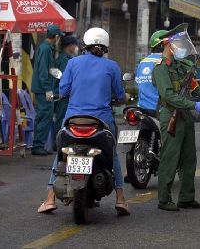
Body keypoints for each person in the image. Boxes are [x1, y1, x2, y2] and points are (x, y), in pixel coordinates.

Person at [37, 27, 131, 216]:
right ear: (105, 47)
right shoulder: (112, 66)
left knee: (61, 155)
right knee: (112, 155)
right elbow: (120, 94)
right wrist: (123, 96)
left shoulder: (73, 64)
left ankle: (49, 199)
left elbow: (63, 91)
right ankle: (120, 199)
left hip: (73, 121)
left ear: (84, 44)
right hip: (101, 122)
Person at [152, 23, 200, 211]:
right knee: (170, 158)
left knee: (189, 159)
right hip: (171, 114)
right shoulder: (160, 69)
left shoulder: (183, 67)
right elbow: (168, 96)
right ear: (166, 45)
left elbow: (196, 90)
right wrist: (193, 105)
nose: (180, 46)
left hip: (185, 115)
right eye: (177, 43)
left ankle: (186, 198)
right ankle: (164, 199)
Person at [31, 24, 63, 156]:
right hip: (43, 88)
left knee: (43, 116)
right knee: (45, 116)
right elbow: (43, 71)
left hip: (42, 87)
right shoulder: (45, 49)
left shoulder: (47, 48)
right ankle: (38, 146)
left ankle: (38, 144)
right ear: (56, 37)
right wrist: (47, 89)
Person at [52, 34, 79, 142]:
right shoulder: (65, 60)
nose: (76, 48)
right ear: (69, 46)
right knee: (61, 119)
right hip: (62, 93)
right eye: (74, 45)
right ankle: (57, 142)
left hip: (62, 92)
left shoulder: (66, 58)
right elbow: (65, 79)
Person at [134, 30, 166, 116]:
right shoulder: (165, 62)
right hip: (160, 111)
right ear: (163, 45)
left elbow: (138, 84)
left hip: (142, 110)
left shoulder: (142, 63)